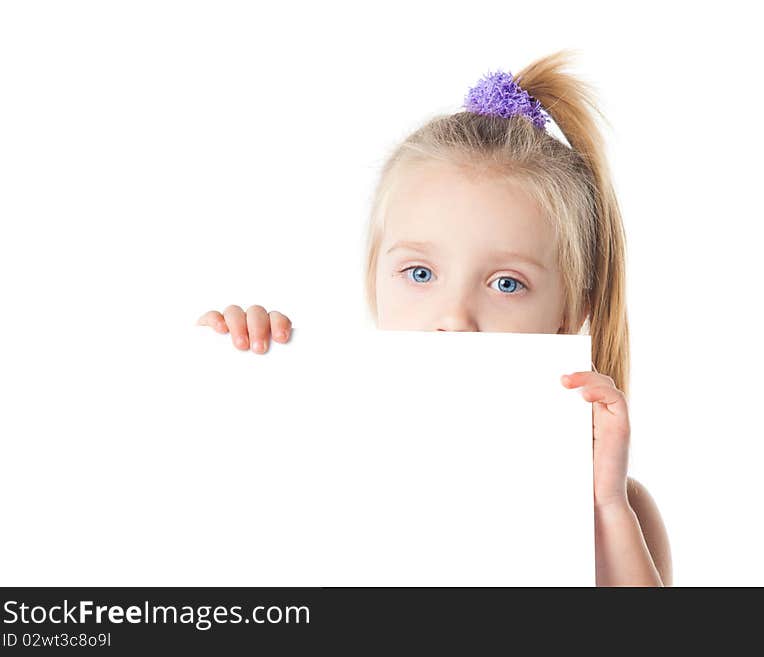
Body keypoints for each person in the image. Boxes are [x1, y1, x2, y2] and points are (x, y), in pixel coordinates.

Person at [197, 50, 672, 586]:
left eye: (506, 283)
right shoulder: (319, 459)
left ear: (570, 313)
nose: (454, 318)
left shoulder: (614, 505)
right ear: (373, 278)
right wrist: (246, 377)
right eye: (420, 273)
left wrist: (604, 507)